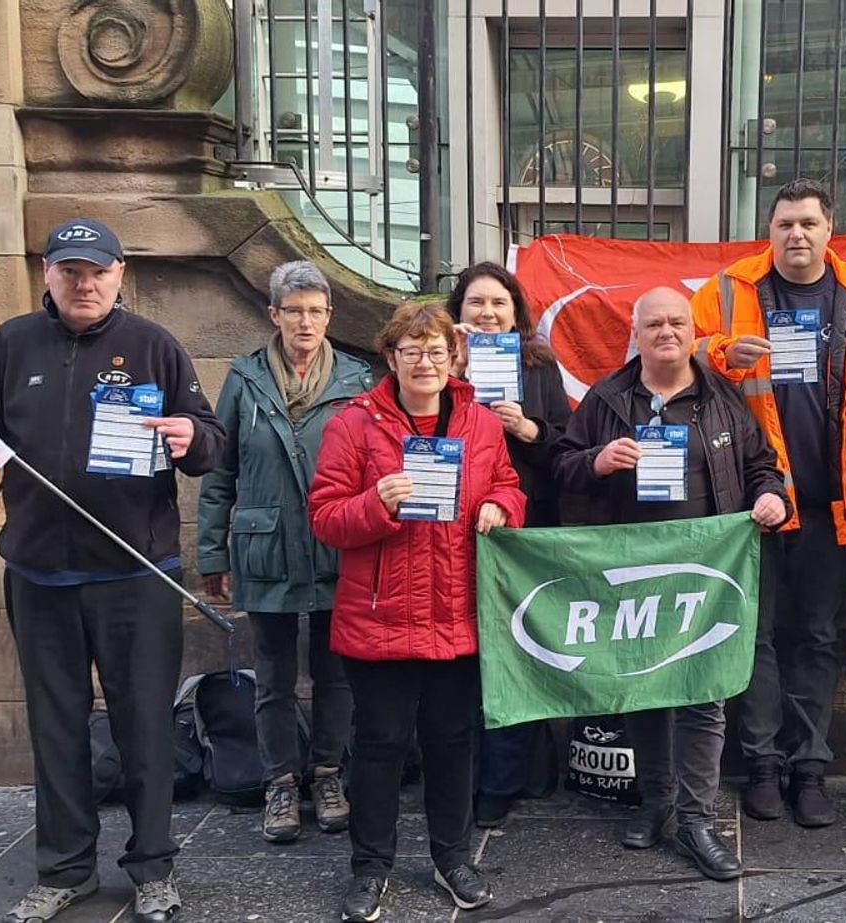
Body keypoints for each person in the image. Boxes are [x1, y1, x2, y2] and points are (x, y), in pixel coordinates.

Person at [0, 218, 225, 923]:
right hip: (39, 574)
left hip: (135, 572)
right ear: (47, 272)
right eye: (71, 270)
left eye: (97, 270)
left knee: (145, 727)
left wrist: (192, 435)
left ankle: (153, 867)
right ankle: (66, 867)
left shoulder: (154, 347)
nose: (85, 282)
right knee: (56, 725)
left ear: (120, 273)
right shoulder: (11, 344)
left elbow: (209, 439)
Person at [690, 178, 846, 827]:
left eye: (808, 223)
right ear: (770, 228)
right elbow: (681, 352)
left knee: (815, 635)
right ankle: (760, 764)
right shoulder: (728, 290)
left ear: (829, 228)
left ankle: (809, 766)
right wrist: (724, 352)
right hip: (751, 498)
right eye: (785, 223)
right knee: (755, 636)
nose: (796, 234)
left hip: (827, 503)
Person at [553, 287, 789, 881]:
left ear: (693, 331)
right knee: (643, 693)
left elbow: (764, 465)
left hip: (707, 572)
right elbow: (561, 464)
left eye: (676, 322)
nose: (666, 332)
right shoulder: (607, 399)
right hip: (631, 570)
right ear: (636, 333)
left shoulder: (723, 396)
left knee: (702, 696)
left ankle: (696, 820)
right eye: (654, 323)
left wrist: (770, 495)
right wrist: (597, 461)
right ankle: (655, 803)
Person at [309, 303, 527, 922]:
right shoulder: (353, 425)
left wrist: (503, 507)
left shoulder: (482, 424)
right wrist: (376, 503)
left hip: (458, 613)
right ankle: (370, 867)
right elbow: (324, 518)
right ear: (391, 358)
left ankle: (452, 856)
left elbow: (509, 483)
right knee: (379, 746)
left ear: (453, 357)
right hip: (380, 616)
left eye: (435, 350)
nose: (425, 362)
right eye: (412, 351)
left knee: (453, 743)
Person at [197, 261, 371, 844]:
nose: (305, 321)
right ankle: (278, 781)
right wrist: (211, 554)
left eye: (315, 311)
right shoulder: (244, 379)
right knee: (271, 674)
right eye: (293, 310)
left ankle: (326, 773)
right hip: (264, 544)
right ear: (273, 314)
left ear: (329, 316)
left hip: (334, 543)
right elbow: (220, 472)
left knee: (336, 671)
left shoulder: (357, 379)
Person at [444, 262, 573, 829]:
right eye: (476, 303)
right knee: (458, 659)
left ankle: (504, 778)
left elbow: (568, 450)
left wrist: (528, 430)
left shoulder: (539, 366)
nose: (488, 313)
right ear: (459, 311)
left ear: (517, 313)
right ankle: (459, 774)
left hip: (521, 532)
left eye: (499, 303)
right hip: (450, 529)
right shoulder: (437, 359)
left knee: (516, 653)